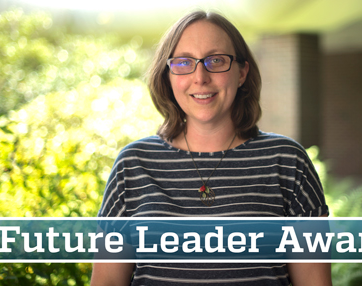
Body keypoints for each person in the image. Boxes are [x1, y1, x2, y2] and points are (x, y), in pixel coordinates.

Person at [91, 10, 331, 286]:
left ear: (242, 73)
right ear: (168, 76)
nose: (200, 77)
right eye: (183, 62)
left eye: (216, 60)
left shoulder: (288, 162)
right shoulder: (133, 164)